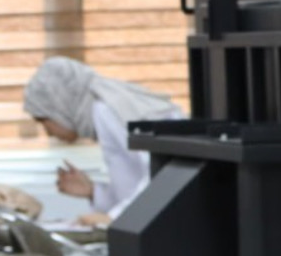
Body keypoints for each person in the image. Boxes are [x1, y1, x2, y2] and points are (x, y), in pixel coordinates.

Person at [23, 55, 183, 225]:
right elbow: (133, 188)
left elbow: (161, 176)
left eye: (43, 120)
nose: (48, 133)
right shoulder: (104, 110)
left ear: (59, 105)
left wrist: (112, 218)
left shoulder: (107, 110)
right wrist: (94, 191)